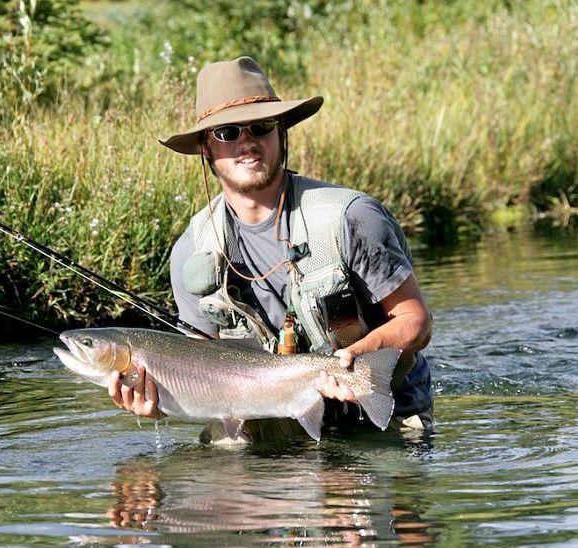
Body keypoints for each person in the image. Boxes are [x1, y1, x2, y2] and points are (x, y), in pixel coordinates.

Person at [108, 56, 433, 441]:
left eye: (261, 127)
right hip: (266, 420)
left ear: (281, 132)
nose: (246, 142)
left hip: (379, 414)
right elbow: (202, 370)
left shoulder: (350, 217)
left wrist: (354, 363)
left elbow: (415, 322)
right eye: (227, 132)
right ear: (206, 147)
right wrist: (161, 401)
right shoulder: (192, 250)